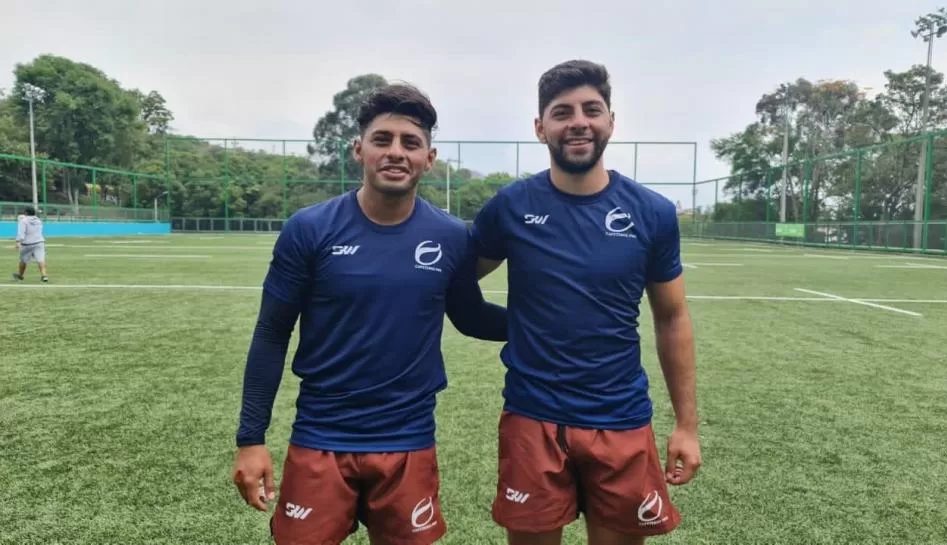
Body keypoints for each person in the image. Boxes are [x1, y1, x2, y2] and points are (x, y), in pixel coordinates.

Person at [231, 83, 508, 545]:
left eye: (410, 143)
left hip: (408, 441)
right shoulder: (310, 229)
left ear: (429, 158)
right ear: (359, 150)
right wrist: (250, 437)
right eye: (383, 140)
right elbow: (272, 331)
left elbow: (470, 316)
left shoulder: (451, 237)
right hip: (320, 437)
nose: (396, 152)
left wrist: (547, 327)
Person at [472, 60, 702, 545]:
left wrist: (686, 424)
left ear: (610, 122)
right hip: (533, 417)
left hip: (619, 417)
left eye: (591, 109)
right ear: (541, 128)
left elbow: (672, 317)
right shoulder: (511, 206)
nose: (578, 121)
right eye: (562, 112)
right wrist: (513, 326)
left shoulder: (653, 213)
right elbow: (450, 282)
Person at [12, 206, 49, 283]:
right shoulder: (39, 220)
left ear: (26, 212)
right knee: (40, 259)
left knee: (23, 260)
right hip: (39, 242)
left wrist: (18, 242)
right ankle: (44, 275)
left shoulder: (23, 221)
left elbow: (21, 233)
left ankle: (20, 275)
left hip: (27, 243)